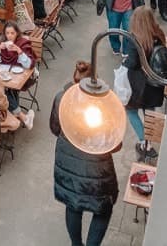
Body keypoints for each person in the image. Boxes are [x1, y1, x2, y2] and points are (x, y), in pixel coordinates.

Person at [50, 61, 119, 246]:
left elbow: (55, 129)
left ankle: (76, 244)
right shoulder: (105, 106)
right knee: (103, 209)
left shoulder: (61, 98)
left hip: (68, 163)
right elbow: (115, 144)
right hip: (98, 170)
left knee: (73, 204)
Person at [126, 6, 167, 160]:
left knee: (131, 112)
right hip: (155, 85)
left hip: (139, 86)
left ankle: (144, 141)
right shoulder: (159, 34)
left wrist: (125, 60)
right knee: (150, 114)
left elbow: (132, 64)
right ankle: (150, 143)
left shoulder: (135, 40)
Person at [0, 22, 35, 129]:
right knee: (4, 89)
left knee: (4, 90)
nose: (10, 36)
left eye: (12, 33)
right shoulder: (1, 43)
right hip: (6, 75)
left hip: (22, 75)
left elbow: (29, 64)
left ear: (17, 33)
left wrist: (19, 51)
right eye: (7, 33)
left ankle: (18, 115)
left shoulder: (23, 43)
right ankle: (23, 117)